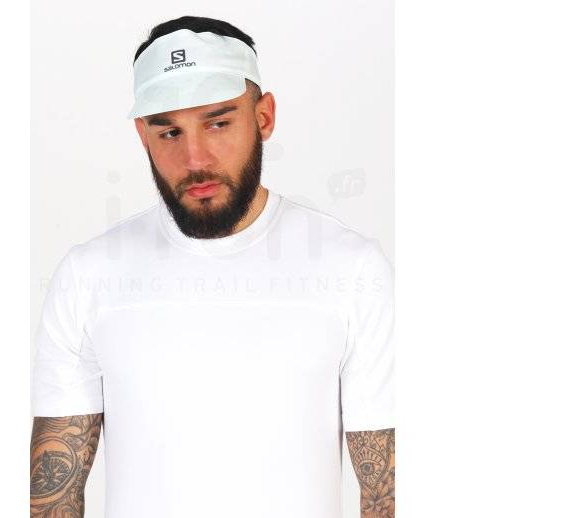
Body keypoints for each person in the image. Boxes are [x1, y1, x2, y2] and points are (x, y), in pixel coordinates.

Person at [30, 15, 395, 518]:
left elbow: (387, 493)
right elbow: (55, 495)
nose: (195, 158)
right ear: (143, 136)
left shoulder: (352, 270)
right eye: (169, 132)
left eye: (218, 122)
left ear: (263, 117)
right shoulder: (87, 276)